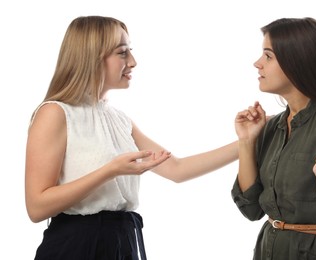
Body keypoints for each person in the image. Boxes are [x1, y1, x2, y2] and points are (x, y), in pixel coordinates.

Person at [25, 15, 238, 260]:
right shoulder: (55, 113)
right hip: (76, 246)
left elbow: (178, 169)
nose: (133, 62)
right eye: (122, 52)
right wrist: (111, 170)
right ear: (92, 56)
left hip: (122, 242)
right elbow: (36, 206)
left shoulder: (119, 119)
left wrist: (247, 143)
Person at [232, 17, 316, 260]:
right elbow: (251, 208)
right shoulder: (272, 127)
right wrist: (246, 142)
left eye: (268, 56)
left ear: (296, 60)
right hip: (267, 250)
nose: (257, 64)